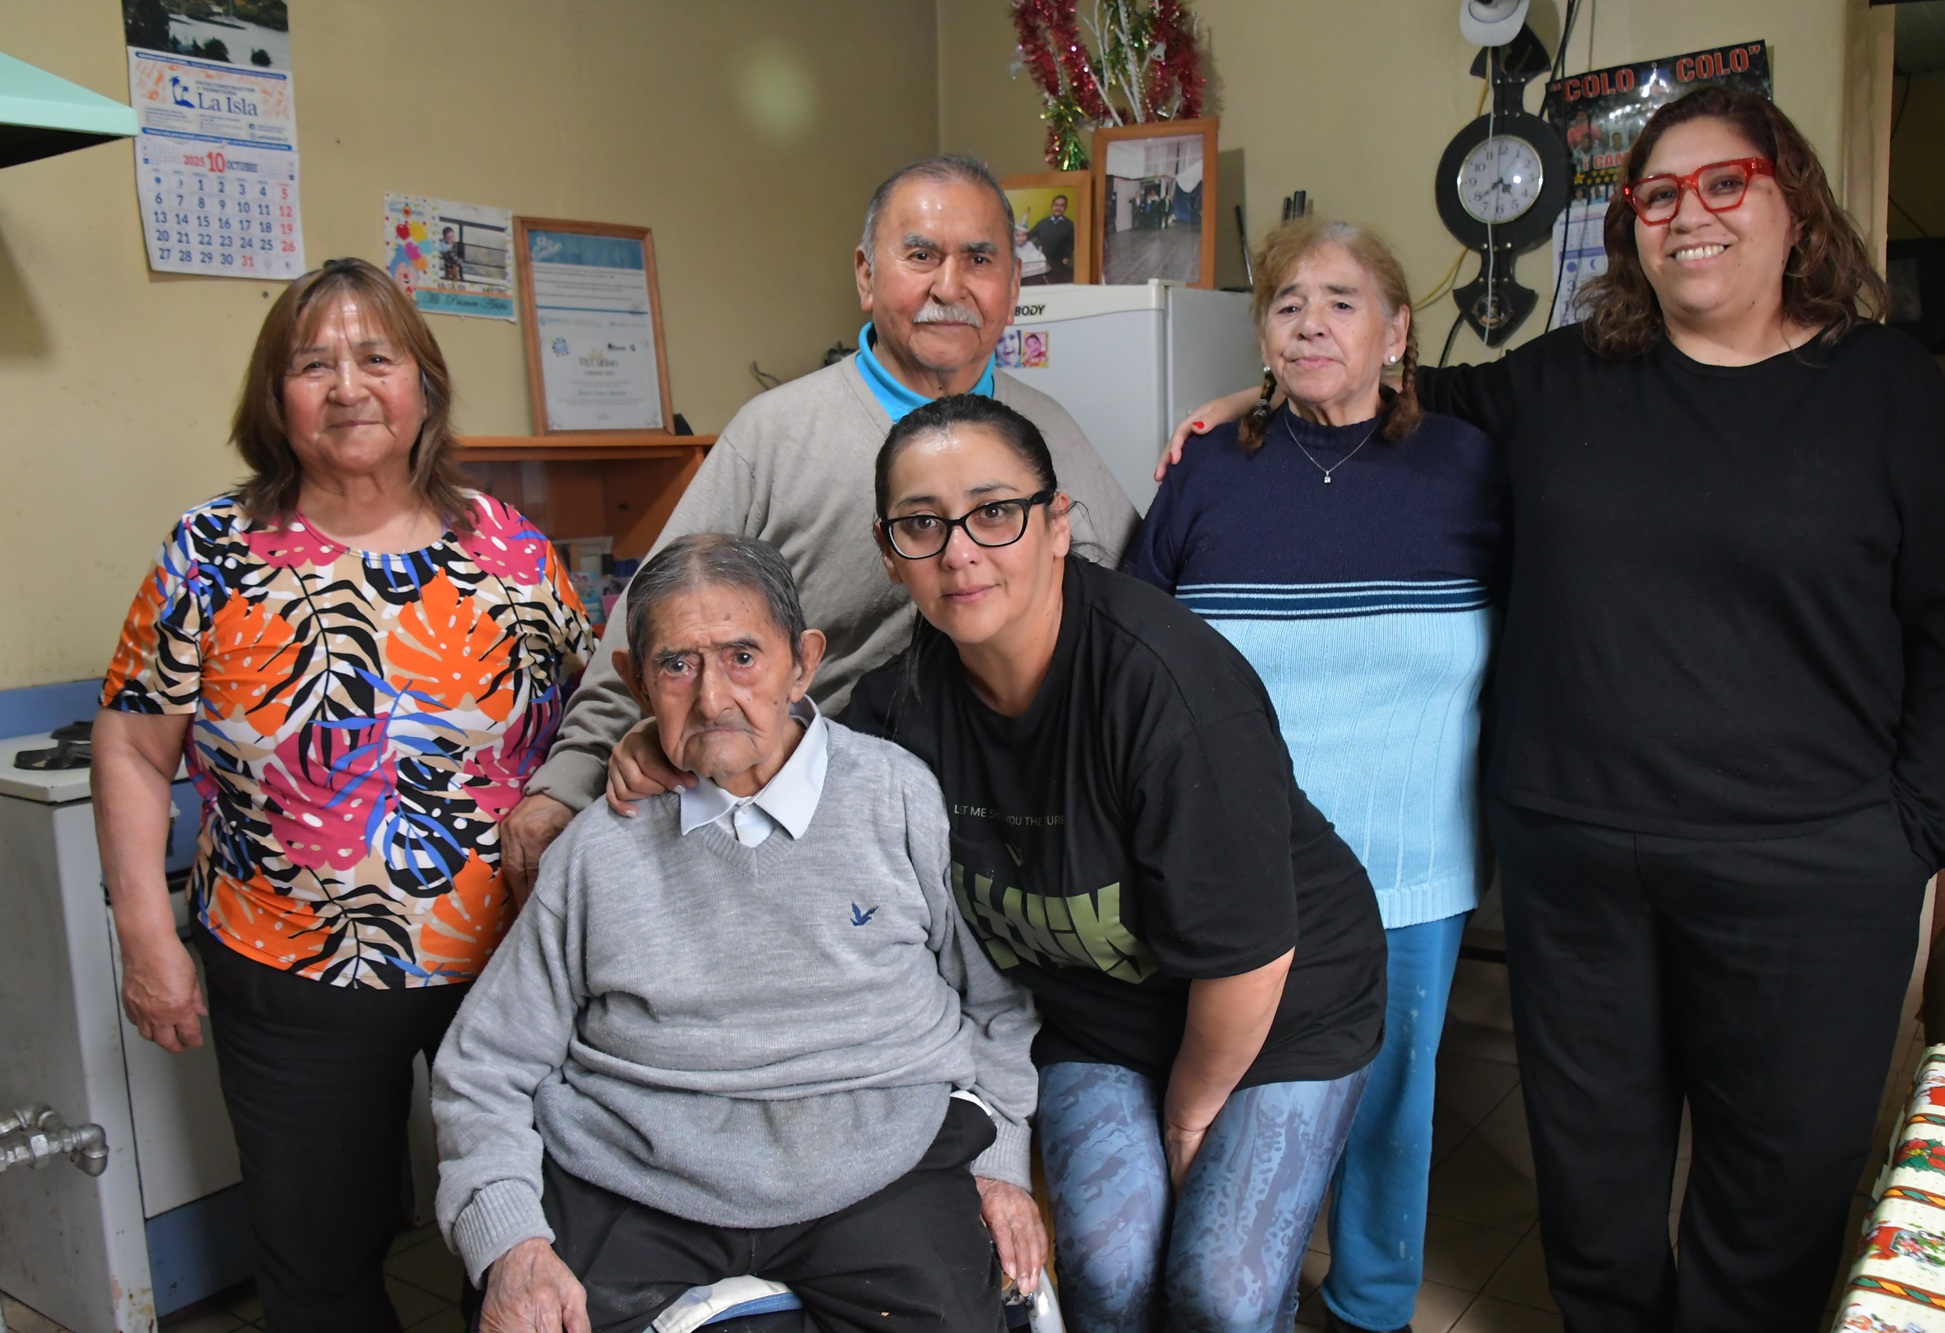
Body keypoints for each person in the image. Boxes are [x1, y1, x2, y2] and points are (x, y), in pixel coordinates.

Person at [1161, 87, 1945, 1332]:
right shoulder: (1572, 376)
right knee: (1595, 1188)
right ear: (1632, 233)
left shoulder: (1880, 387)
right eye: (1656, 195)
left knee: (1770, 1193)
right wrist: (1257, 400)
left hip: (1809, 870)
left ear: (1792, 205)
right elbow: (1407, 392)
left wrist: (1917, 829)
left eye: (1726, 183)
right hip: (1580, 867)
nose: (1688, 215)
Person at [600, 396, 1383, 1329]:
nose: (960, 551)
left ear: (1058, 526)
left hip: (1271, 1002)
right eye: (922, 524)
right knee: (1107, 1262)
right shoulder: (898, 710)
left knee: (1223, 1287)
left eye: (995, 511)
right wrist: (668, 740)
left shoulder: (1167, 687)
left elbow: (1248, 957)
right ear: (892, 554)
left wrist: (1185, 1118)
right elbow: (780, 763)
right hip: (1095, 1014)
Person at [92, 257, 592, 1333]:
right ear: (276, 400)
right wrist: (145, 932)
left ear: (425, 388)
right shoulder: (208, 551)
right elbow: (134, 748)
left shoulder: (511, 550)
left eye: (378, 357)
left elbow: (592, 722)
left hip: (511, 966)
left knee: (520, 1235)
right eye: (312, 364)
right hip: (288, 964)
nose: (348, 386)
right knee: (320, 1255)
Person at [432, 535, 1041, 1333]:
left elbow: (996, 1001)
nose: (714, 696)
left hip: (881, 1160)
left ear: (804, 662)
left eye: (743, 655)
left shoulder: (897, 796)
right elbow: (485, 1065)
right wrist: (510, 1240)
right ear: (637, 683)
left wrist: (1000, 1165)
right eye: (678, 664)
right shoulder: (598, 848)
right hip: (637, 1174)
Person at [501, 153, 1138, 898]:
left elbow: (1133, 611)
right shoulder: (775, 435)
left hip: (1013, 826)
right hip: (802, 823)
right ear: (867, 276)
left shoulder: (1051, 437)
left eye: (980, 258)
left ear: (1013, 286)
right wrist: (571, 777)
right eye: (921, 255)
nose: (950, 286)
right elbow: (656, 616)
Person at [1128, 219, 1502, 1333]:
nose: (1310, 320)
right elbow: (1131, 644)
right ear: (1261, 337)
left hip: (1407, 851)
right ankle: (1239, 1292)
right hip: (1236, 855)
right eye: (1286, 301)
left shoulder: (1471, 466)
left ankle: (1371, 1303)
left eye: (1341, 300)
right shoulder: (1203, 468)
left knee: (1390, 1102)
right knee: (1235, 1095)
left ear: (1396, 333)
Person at [1025, 194, 1076, 284]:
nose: (1058, 208)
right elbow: (1029, 236)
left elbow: (1071, 242)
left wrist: (1066, 256)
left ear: (1065, 208)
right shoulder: (1043, 223)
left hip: (1058, 262)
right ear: (1052, 206)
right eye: (1056, 205)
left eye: (1062, 206)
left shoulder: (1069, 225)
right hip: (1040, 261)